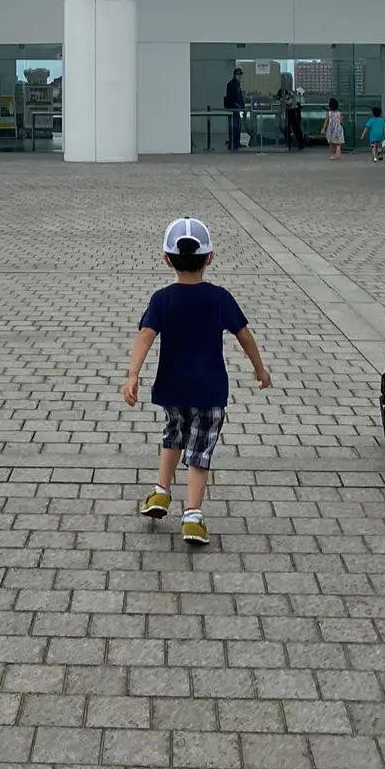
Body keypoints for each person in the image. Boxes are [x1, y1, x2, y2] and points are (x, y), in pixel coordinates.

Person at [122, 217, 271, 545]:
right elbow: (243, 334)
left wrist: (133, 374)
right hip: (210, 391)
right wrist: (259, 368)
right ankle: (192, 516)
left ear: (166, 259)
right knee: (199, 451)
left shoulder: (162, 299)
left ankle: (161, 491)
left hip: (173, 388)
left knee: (172, 435)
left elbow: (145, 334)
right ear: (209, 258)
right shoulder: (219, 297)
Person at [223, 66, 245, 152]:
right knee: (235, 126)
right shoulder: (232, 84)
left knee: (237, 126)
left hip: (237, 108)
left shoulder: (237, 84)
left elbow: (240, 97)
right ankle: (234, 143)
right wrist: (238, 106)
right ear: (235, 75)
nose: (240, 77)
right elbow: (232, 98)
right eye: (239, 75)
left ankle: (236, 142)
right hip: (234, 108)